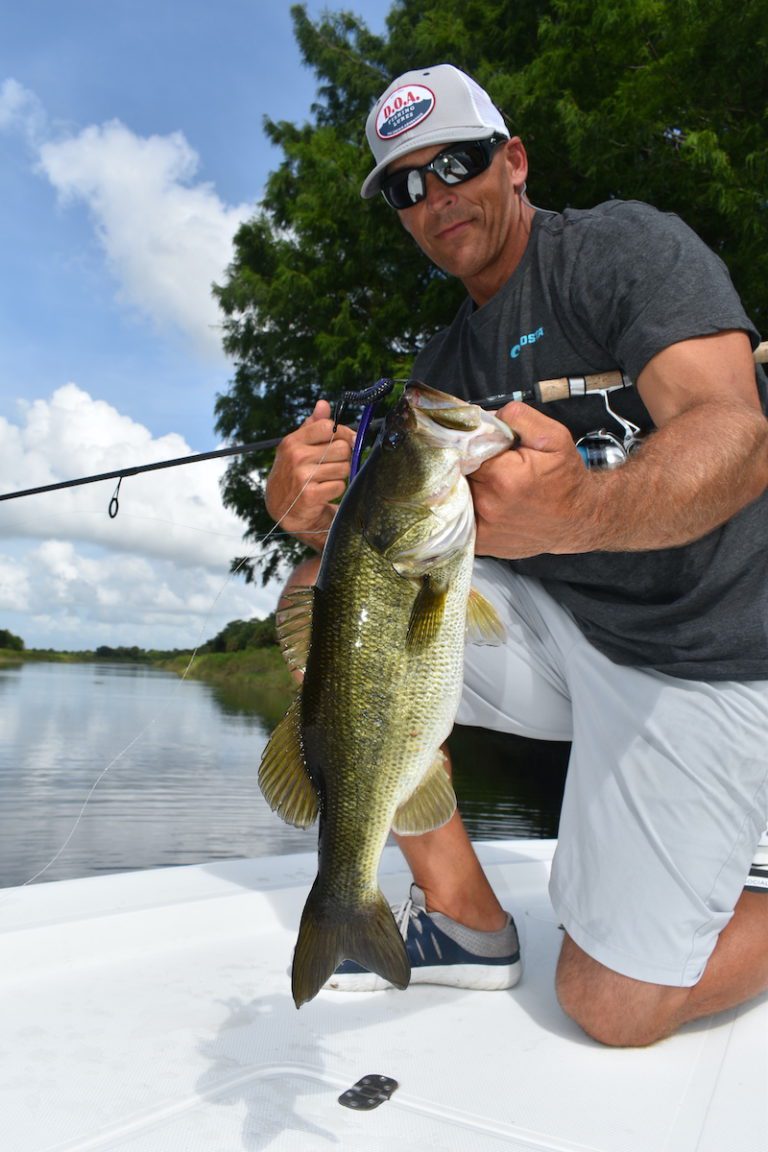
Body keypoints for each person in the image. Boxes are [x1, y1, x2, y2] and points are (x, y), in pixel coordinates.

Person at [264, 64, 768, 1047]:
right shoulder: (445, 371)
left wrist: (582, 511)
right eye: (406, 186)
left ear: (515, 161)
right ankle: (463, 920)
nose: (435, 197)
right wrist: (305, 509)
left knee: (610, 1007)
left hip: (718, 647)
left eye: (454, 164)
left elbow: (737, 435)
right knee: (324, 595)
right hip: (578, 635)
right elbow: (393, 543)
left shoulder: (625, 253)